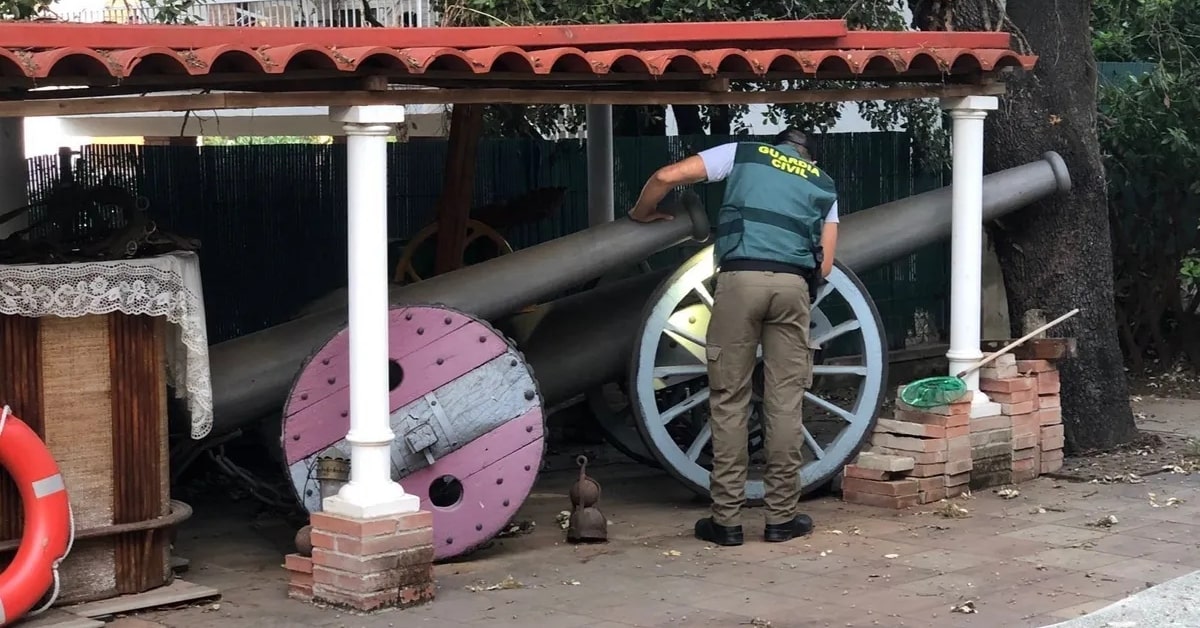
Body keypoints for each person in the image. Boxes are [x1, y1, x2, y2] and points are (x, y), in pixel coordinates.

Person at [627, 127, 839, 546]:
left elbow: (667, 176)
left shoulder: (744, 153)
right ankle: (782, 517)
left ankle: (726, 521)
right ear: (808, 156)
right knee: (784, 401)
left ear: (775, 144)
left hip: (740, 281)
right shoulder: (822, 183)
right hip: (793, 290)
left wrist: (642, 213)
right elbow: (827, 265)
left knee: (728, 398)